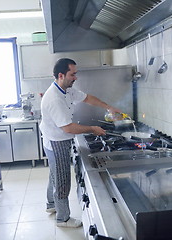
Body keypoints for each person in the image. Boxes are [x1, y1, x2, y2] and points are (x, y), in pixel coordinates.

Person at [40, 58, 122, 228]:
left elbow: (87, 98)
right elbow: (68, 128)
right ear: (61, 75)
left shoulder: (65, 89)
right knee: (62, 179)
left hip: (53, 138)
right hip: (57, 142)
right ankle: (63, 218)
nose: (75, 78)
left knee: (54, 173)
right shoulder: (54, 98)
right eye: (73, 74)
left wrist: (108, 107)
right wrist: (92, 129)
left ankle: (51, 204)